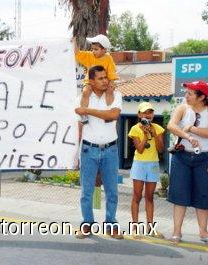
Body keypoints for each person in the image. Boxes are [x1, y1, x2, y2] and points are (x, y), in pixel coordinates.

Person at [74, 65, 123, 239]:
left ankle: (111, 224)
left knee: (112, 191)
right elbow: (81, 118)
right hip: (89, 150)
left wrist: (87, 110)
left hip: (111, 149)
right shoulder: (82, 97)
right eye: (101, 78)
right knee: (86, 191)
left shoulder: (116, 95)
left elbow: (112, 115)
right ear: (91, 81)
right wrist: (86, 99)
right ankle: (87, 224)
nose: (105, 80)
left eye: (106, 77)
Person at [167, 80, 208, 244]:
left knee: (204, 196)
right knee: (179, 195)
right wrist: (189, 137)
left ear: (202, 97)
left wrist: (191, 128)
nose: (186, 96)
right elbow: (171, 125)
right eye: (187, 93)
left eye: (190, 94)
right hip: (182, 157)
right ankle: (177, 232)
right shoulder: (182, 108)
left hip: (204, 158)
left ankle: (203, 232)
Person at [128, 102, 165, 238]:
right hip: (139, 164)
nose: (147, 115)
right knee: (137, 196)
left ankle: (150, 228)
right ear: (139, 115)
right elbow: (140, 149)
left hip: (153, 164)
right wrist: (144, 135)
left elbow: (161, 149)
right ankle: (135, 228)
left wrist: (154, 134)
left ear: (153, 114)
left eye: (150, 112)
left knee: (149, 197)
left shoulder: (158, 128)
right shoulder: (134, 129)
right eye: (144, 112)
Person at [73, 34, 118, 124]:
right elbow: (77, 53)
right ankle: (84, 114)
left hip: (104, 82)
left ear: (104, 50)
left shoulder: (108, 58)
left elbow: (111, 71)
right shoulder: (89, 56)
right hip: (90, 81)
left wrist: (112, 82)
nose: (93, 51)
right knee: (86, 91)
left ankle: (108, 112)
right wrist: (74, 41)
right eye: (92, 49)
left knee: (110, 91)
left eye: (96, 49)